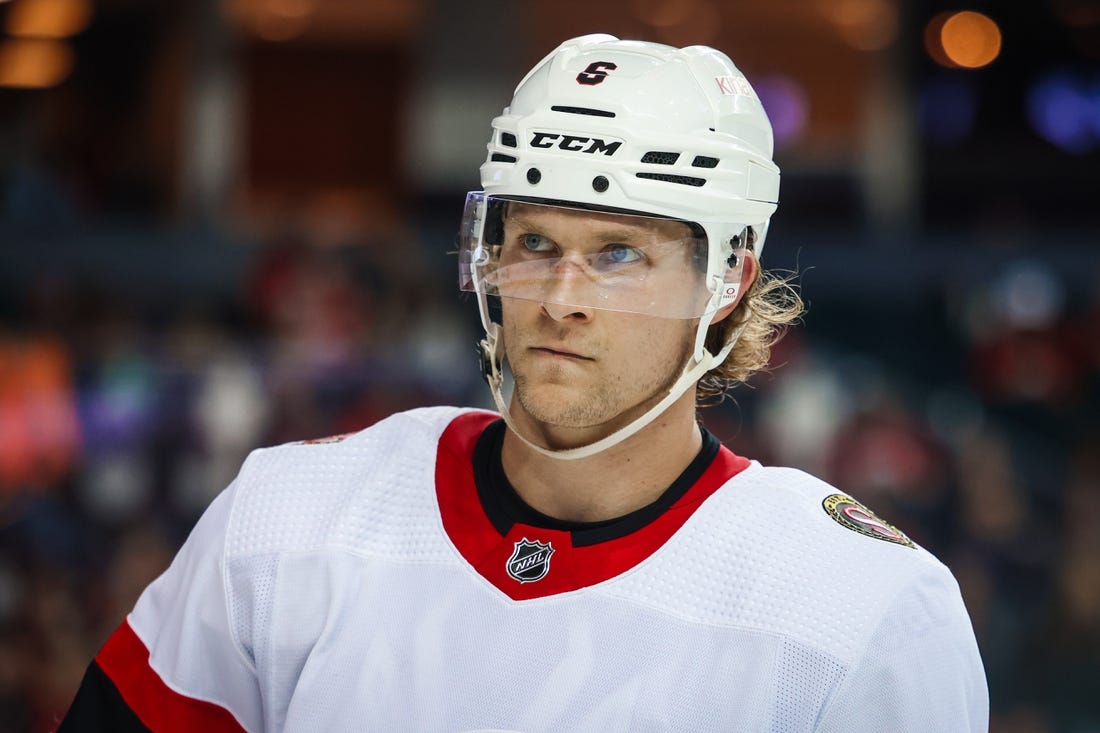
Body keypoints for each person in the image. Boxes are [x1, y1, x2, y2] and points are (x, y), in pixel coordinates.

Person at [58, 33, 988, 732]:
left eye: (618, 253)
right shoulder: (288, 516)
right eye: (535, 243)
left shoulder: (861, 609)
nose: (560, 298)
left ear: (729, 278)